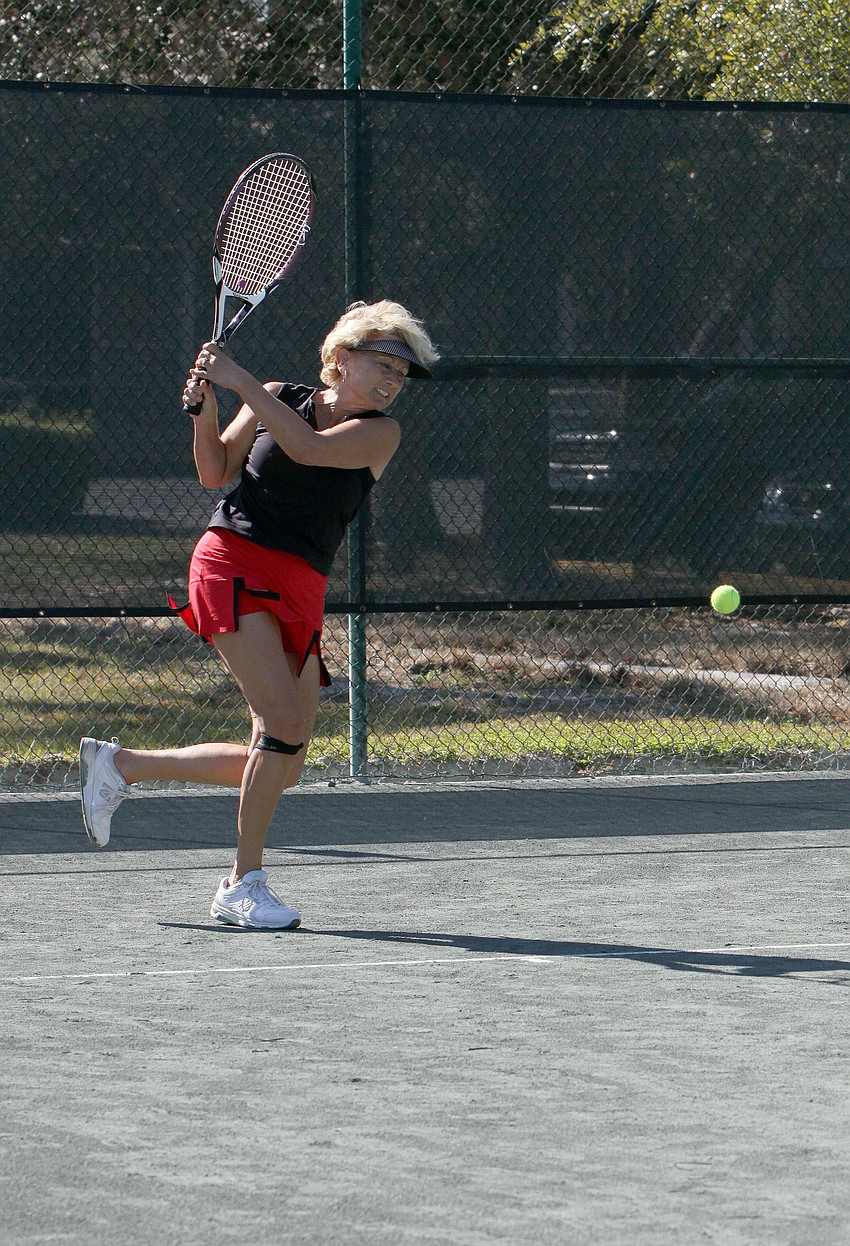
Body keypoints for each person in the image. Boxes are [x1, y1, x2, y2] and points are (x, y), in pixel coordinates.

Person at [79, 300, 439, 930]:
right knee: (279, 722)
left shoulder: (381, 432)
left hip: (301, 584)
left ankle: (121, 765)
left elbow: (304, 447)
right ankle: (242, 884)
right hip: (232, 560)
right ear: (340, 359)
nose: (390, 382)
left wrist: (234, 376)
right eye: (380, 365)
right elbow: (214, 470)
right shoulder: (275, 395)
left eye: (400, 375)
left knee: (286, 759)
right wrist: (208, 410)